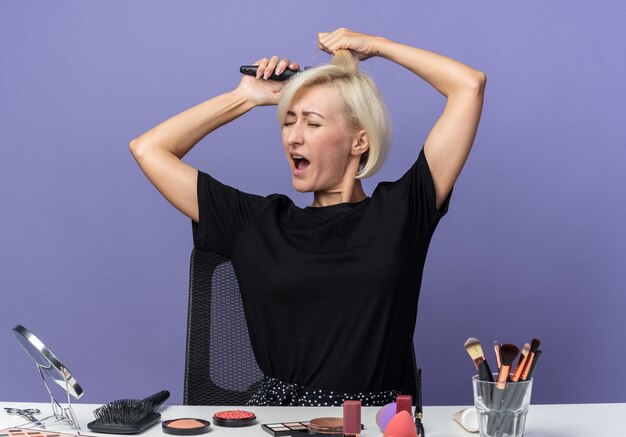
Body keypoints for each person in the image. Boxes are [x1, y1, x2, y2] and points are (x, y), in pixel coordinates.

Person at [130, 28, 486, 406]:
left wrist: (377, 48)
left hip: (372, 425)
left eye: (312, 123)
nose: (292, 138)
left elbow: (468, 85)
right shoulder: (256, 222)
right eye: (288, 121)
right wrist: (244, 98)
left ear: (359, 141)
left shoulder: (403, 212)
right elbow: (149, 148)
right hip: (277, 426)